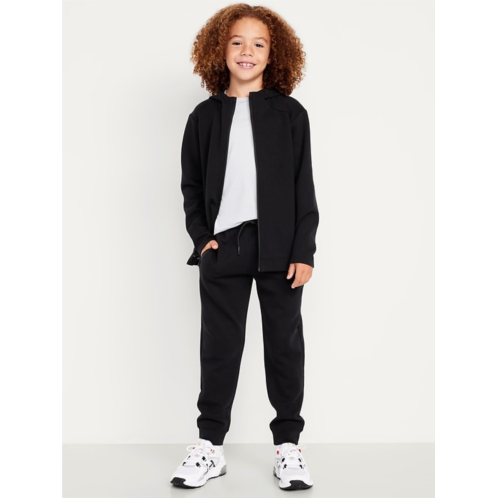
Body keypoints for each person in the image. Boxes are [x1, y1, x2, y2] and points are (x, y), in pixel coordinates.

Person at [170, 3, 319, 491]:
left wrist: (304, 250)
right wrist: (203, 240)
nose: (247, 51)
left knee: (284, 347)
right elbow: (191, 186)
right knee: (219, 348)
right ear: (220, 49)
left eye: (259, 43)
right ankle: (209, 447)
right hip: (224, 247)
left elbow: (303, 188)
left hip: (281, 247)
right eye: (237, 42)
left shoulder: (290, 114)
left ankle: (288, 447)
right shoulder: (204, 116)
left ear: (274, 54)